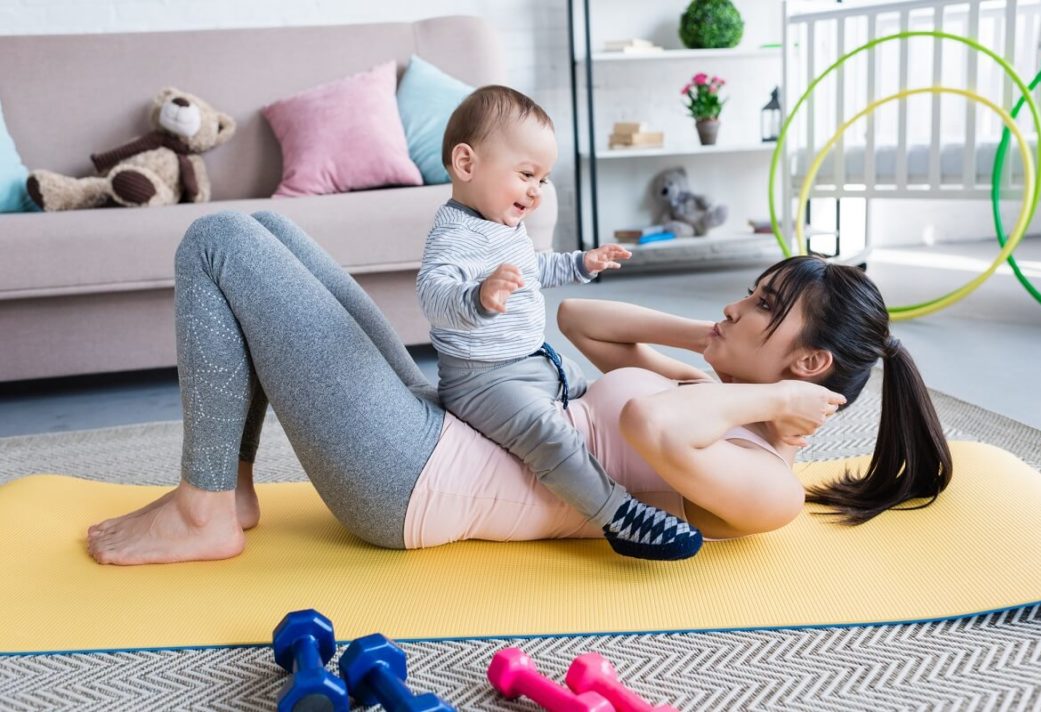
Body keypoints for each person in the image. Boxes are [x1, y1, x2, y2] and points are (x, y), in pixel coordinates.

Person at [86, 210, 952, 566]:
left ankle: (202, 510)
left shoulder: (767, 486)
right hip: (435, 423)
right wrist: (714, 339)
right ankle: (229, 488)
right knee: (268, 229)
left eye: (762, 306)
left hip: (412, 481)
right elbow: (581, 320)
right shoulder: (705, 387)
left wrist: (772, 405)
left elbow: (652, 428)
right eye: (751, 293)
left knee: (218, 243)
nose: (734, 305)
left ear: (809, 367)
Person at [416, 85, 701, 561]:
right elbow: (432, 296)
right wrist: (478, 297)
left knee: (593, 393)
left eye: (543, 179)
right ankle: (619, 516)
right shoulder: (454, 235)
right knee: (549, 436)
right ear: (466, 164)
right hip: (482, 381)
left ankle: (640, 458)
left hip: (534, 359)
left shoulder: (504, 225)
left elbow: (534, 269)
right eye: (526, 174)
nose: (536, 190)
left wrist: (580, 264)